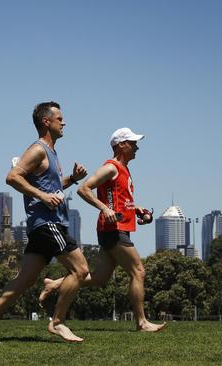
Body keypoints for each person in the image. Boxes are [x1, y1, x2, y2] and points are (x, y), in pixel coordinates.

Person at [0, 101, 89, 343]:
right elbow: (12, 177)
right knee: (80, 270)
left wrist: (72, 178)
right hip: (48, 223)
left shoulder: (51, 153)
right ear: (46, 122)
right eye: (60, 119)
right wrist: (42, 196)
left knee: (24, 279)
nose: (64, 122)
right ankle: (58, 323)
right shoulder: (37, 149)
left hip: (43, 224)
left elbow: (52, 188)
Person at [39, 127, 166, 332]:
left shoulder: (124, 170)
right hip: (113, 230)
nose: (137, 147)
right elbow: (84, 188)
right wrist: (104, 208)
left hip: (115, 228)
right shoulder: (111, 167)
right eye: (133, 143)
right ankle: (142, 323)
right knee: (138, 272)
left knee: (99, 278)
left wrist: (138, 210)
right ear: (121, 145)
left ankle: (53, 284)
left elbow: (121, 202)